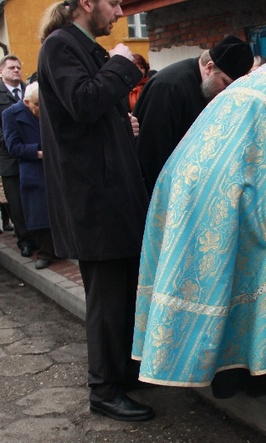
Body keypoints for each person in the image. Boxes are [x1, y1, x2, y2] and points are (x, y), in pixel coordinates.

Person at [131, 58, 266, 399]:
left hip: (192, 182)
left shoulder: (264, 82)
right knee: (262, 270)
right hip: (224, 191)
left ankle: (229, 376)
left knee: (222, 280)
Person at [37, 0, 153, 421]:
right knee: (105, 298)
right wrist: (122, 66)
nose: (120, 12)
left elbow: (90, 117)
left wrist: (124, 124)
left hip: (111, 197)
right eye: (114, 3)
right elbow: (82, 102)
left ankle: (121, 372)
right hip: (94, 201)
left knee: (121, 293)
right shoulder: (60, 46)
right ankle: (103, 389)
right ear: (86, 3)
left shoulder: (86, 49)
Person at [133, 35, 253, 194]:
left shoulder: (208, 89)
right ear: (209, 68)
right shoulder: (169, 86)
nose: (227, 92)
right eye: (226, 83)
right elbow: (152, 154)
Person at [1, 82, 57, 270]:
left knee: (57, 210)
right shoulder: (10, 115)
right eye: (36, 105)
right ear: (26, 102)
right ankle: (44, 252)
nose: (41, 109)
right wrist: (39, 153)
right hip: (32, 169)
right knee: (39, 214)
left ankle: (59, 248)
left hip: (54, 169)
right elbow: (13, 146)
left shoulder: (48, 108)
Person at [0, 54, 35, 255]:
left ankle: (40, 238)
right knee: (17, 203)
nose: (16, 70)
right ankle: (25, 241)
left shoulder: (29, 91)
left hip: (33, 154)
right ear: (1, 71)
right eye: (11, 67)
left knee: (35, 200)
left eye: (18, 67)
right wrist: (14, 140)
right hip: (10, 157)